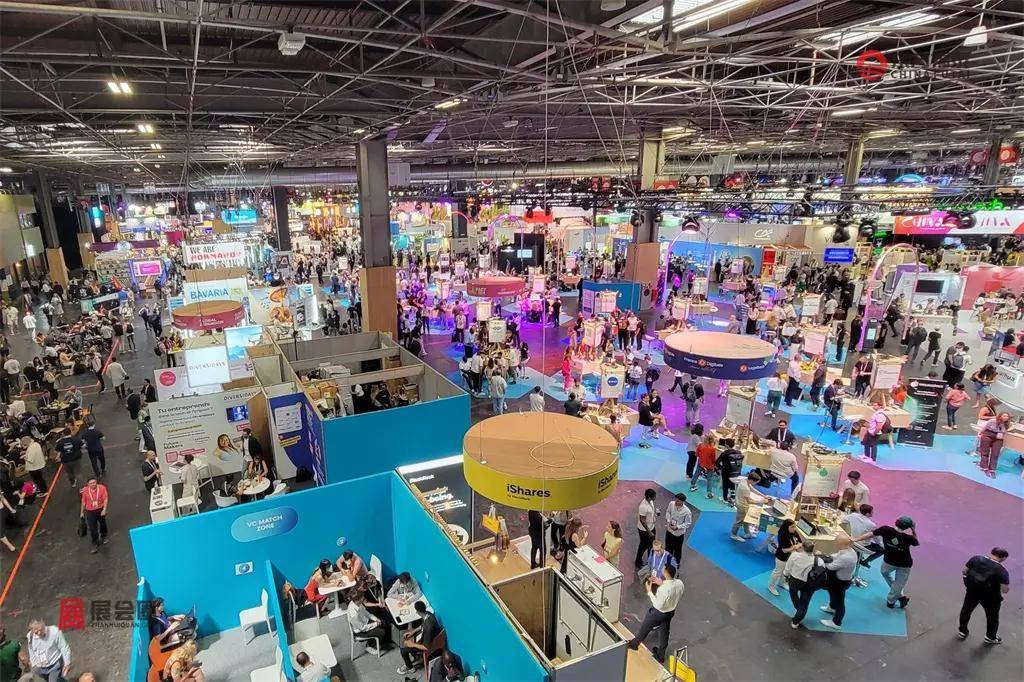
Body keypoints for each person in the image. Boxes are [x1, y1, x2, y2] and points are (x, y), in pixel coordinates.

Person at [626, 564, 683, 663]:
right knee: (664, 632)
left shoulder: (663, 589)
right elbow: (673, 591)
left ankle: (634, 644)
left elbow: (658, 604)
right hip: (670, 612)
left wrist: (649, 591)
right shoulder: (679, 583)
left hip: (658, 612)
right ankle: (661, 655)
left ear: (666, 573)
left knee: (645, 627)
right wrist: (662, 583)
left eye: (663, 569)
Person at [860, 516, 918, 609]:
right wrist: (914, 530)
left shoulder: (885, 529)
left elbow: (871, 534)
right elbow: (916, 542)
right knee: (899, 584)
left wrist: (856, 539)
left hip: (889, 561)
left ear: (896, 522)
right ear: (908, 527)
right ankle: (894, 600)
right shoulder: (909, 538)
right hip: (905, 564)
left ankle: (895, 599)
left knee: (885, 573)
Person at [957, 547, 1010, 645]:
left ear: (991, 552)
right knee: (992, 617)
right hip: (991, 597)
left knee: (966, 610)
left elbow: (964, 571)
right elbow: (1004, 590)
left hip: (973, 591)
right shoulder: (1001, 570)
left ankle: (962, 631)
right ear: (1003, 558)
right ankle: (990, 637)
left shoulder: (976, 559)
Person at [819, 537, 859, 630]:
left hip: (840, 582)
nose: (836, 544)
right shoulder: (850, 550)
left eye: (837, 542)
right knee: (832, 593)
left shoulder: (846, 557)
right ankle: (832, 607)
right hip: (838, 579)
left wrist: (822, 561)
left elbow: (831, 567)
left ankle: (837, 622)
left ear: (842, 544)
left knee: (840, 602)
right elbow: (837, 555)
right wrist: (828, 556)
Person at [783, 541, 820, 629]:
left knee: (793, 594)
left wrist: (786, 575)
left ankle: (799, 610)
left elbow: (787, 568)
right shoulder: (817, 559)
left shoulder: (794, 555)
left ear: (803, 548)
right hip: (809, 583)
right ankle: (797, 620)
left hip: (795, 580)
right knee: (805, 601)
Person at [397, 601, 439, 675]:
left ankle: (410, 667)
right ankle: (415, 656)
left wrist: (412, 644)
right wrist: (413, 631)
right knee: (408, 638)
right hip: (426, 636)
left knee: (403, 650)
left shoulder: (428, 628)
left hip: (428, 644)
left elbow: (426, 647)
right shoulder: (428, 614)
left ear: (418, 612)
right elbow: (422, 625)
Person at [731, 472, 770, 542]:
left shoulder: (745, 480)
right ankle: (733, 535)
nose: (755, 484)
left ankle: (747, 533)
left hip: (741, 502)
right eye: (756, 482)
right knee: (739, 521)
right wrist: (761, 501)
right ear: (752, 480)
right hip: (742, 505)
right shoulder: (745, 488)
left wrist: (764, 496)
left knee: (746, 519)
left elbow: (753, 489)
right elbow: (749, 501)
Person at [347, 590, 387, 657]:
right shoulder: (353, 614)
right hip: (360, 631)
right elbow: (362, 628)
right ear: (358, 600)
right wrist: (376, 624)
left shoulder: (358, 603)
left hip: (365, 622)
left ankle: (376, 641)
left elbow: (367, 614)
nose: (363, 598)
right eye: (362, 597)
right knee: (382, 632)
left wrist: (376, 619)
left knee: (383, 622)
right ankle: (369, 645)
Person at [767, 519, 800, 596]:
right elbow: (784, 550)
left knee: (786, 571)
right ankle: (771, 586)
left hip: (790, 556)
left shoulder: (793, 532)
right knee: (778, 572)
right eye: (792, 527)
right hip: (781, 557)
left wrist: (797, 546)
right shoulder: (782, 535)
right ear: (787, 527)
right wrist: (794, 548)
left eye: (795, 526)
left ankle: (781, 583)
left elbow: (800, 541)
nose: (794, 528)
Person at [79, 477, 108, 554]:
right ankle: (95, 543)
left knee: (103, 524)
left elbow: (105, 499)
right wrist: (82, 512)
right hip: (90, 511)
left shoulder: (102, 488)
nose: (93, 484)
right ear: (88, 484)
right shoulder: (85, 490)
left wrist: (104, 509)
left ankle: (103, 536)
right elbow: (83, 501)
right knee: (92, 528)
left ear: (96, 482)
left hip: (100, 509)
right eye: (91, 483)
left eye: (94, 482)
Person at [977, 412, 1011, 477]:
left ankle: (992, 469)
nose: (1005, 417)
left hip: (998, 438)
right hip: (988, 435)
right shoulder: (992, 421)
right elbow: (985, 428)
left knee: (995, 454)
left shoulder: (1007, 424)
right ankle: (984, 467)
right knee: (985, 452)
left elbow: (1005, 431)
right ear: (1000, 416)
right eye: (1004, 416)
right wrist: (980, 434)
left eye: (1007, 416)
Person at [664, 493, 691, 564]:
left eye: (678, 501)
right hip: (669, 531)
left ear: (682, 502)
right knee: (668, 547)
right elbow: (668, 512)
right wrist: (669, 521)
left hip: (678, 534)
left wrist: (678, 527)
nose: (676, 501)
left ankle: (676, 564)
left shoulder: (687, 511)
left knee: (677, 550)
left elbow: (687, 523)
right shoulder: (671, 504)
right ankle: (667, 561)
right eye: (676, 499)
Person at [634, 488, 657, 570]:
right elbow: (642, 520)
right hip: (644, 530)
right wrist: (649, 532)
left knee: (651, 544)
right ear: (650, 497)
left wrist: (655, 514)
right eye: (654, 496)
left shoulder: (651, 502)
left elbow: (650, 514)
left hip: (651, 526)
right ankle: (637, 561)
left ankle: (650, 560)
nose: (655, 498)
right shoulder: (643, 507)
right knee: (643, 546)